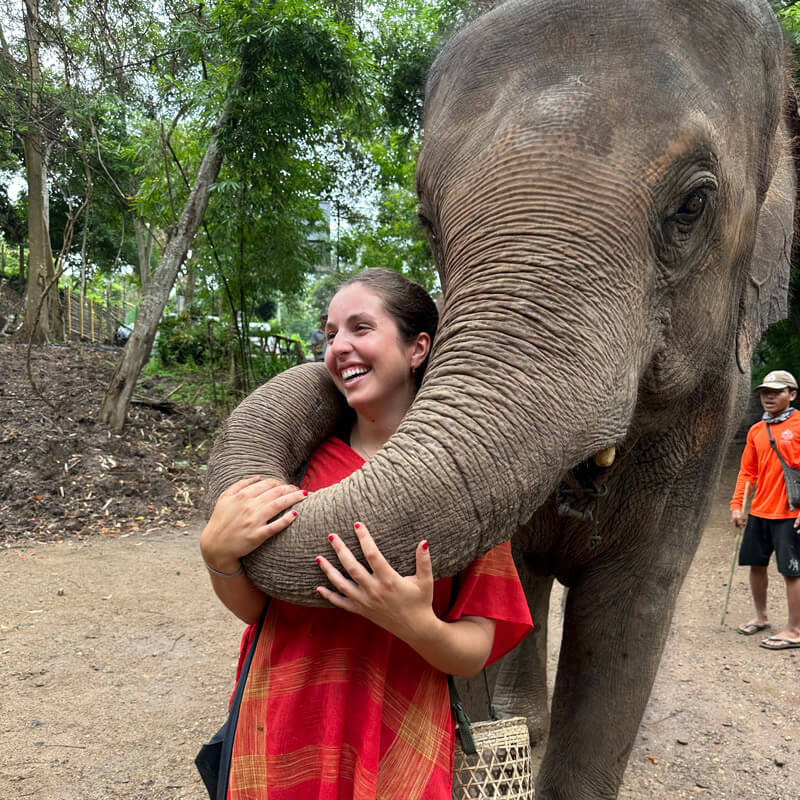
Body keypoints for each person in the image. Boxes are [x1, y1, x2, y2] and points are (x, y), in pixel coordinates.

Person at [200, 268, 533, 799]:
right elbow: (261, 613)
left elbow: (475, 648)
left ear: (418, 347)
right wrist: (219, 559)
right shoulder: (301, 466)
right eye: (330, 334)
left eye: (361, 328)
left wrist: (415, 624)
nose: (340, 347)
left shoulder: (467, 482)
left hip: (397, 735)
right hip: (282, 723)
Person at [730, 369, 800, 650]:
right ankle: (761, 617)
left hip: (790, 513)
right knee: (756, 565)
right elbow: (747, 472)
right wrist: (737, 506)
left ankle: (795, 630)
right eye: (765, 392)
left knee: (792, 571)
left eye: (777, 391)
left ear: (792, 394)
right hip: (760, 511)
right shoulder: (757, 430)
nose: (769, 396)